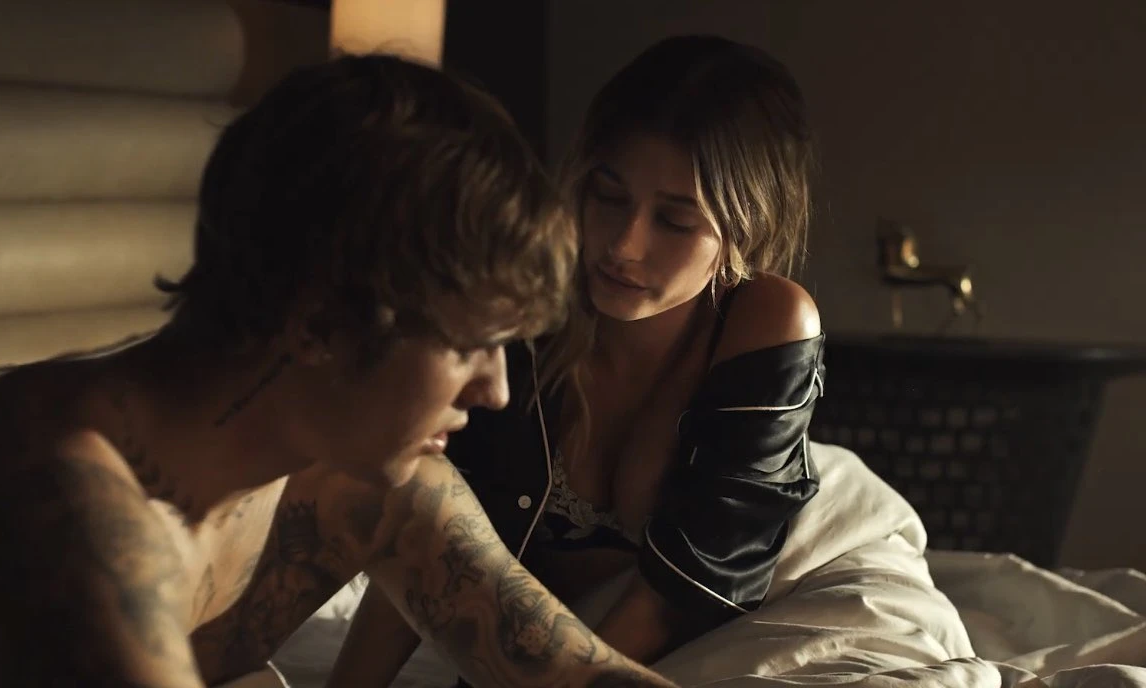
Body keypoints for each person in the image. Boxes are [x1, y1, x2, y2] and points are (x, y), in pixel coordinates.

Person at [0, 53, 674, 688]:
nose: (496, 391)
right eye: (471, 345)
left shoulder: (359, 482)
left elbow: (579, 674)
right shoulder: (65, 511)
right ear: (319, 323)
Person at [332, 34, 825, 685]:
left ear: (745, 227)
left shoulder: (765, 319)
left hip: (696, 622)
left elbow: (695, 582)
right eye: (609, 195)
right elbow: (426, 528)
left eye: (675, 222)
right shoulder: (525, 298)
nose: (623, 245)